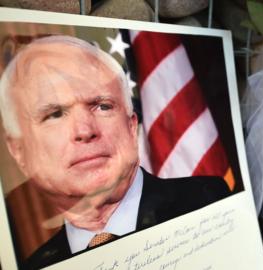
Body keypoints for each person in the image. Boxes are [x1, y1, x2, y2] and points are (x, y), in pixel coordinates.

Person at [0, 35, 230, 269]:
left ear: (131, 127)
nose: (84, 130)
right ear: (18, 151)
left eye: (103, 106)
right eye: (55, 114)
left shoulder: (208, 202)